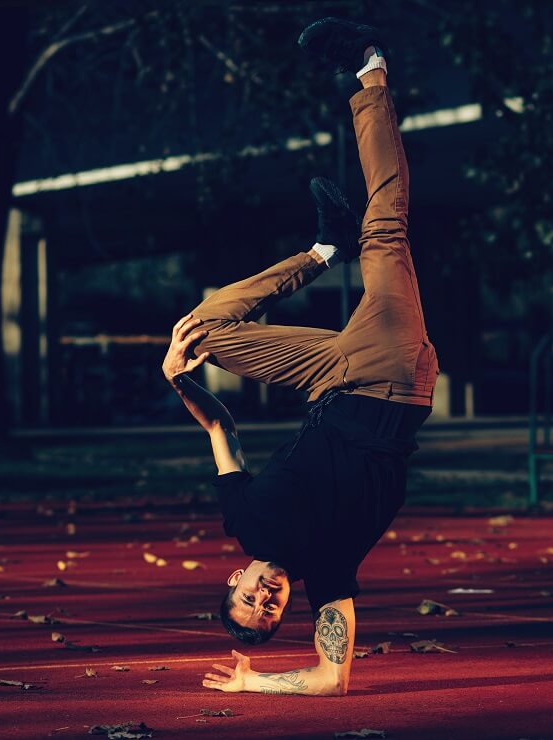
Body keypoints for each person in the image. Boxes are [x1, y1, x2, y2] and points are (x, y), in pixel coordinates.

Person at [161, 17, 438, 697]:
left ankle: (322, 252)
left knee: (198, 332)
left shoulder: (243, 518)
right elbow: (329, 680)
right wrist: (253, 684)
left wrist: (177, 380)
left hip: (327, 382)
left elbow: (220, 429)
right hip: (393, 383)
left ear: (237, 576)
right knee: (387, 228)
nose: (266, 598)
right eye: (270, 611)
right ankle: (370, 67)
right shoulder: (328, 571)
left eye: (250, 597)